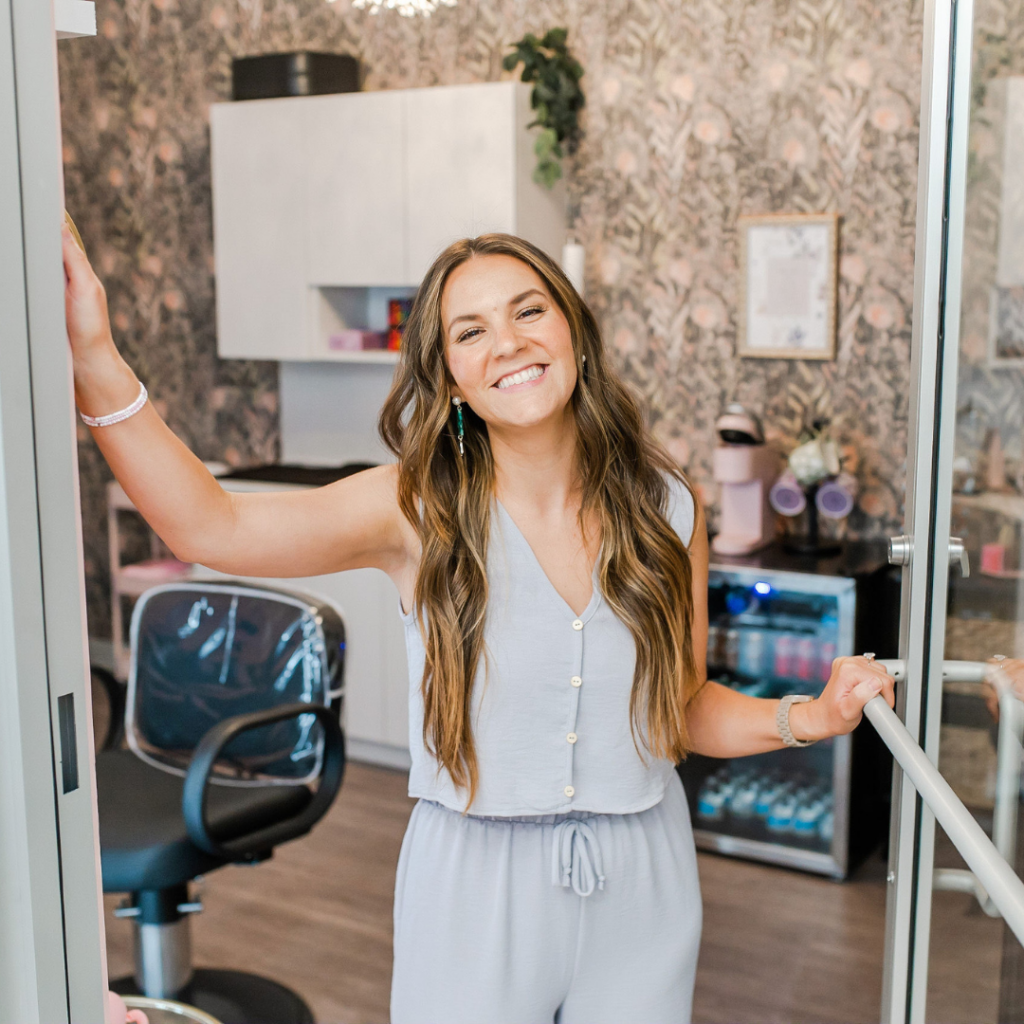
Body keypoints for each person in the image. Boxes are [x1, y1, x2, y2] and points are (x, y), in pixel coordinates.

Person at [63, 226, 896, 1024]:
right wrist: (97, 358)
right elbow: (212, 528)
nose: (508, 342)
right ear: (451, 375)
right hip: (474, 881)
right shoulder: (413, 507)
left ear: (573, 328)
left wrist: (811, 717)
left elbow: (678, 708)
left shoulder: (667, 505)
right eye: (472, 330)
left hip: (647, 874)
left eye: (528, 310)